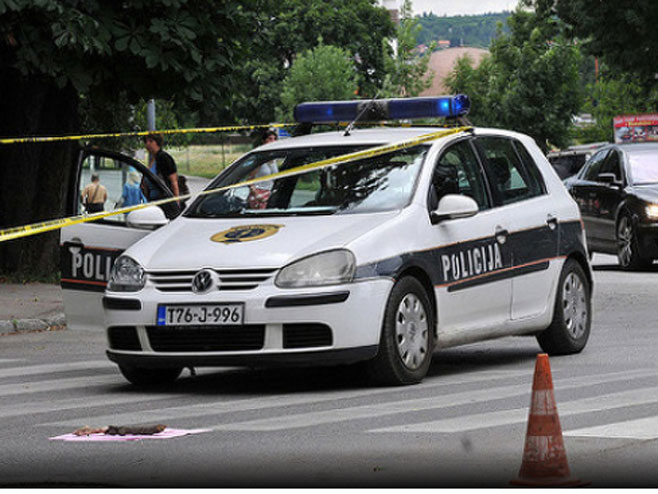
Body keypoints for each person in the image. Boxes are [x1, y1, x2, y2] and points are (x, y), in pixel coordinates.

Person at [142, 133, 180, 201]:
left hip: (164, 201)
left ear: (157, 142)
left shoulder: (164, 158)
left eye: (150, 141)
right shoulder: (152, 159)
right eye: (146, 142)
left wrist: (176, 202)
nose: (147, 144)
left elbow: (174, 182)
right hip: (153, 200)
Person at [247, 130, 279, 209]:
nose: (273, 141)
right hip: (258, 194)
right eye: (270, 139)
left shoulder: (274, 159)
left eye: (274, 139)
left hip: (270, 194)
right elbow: (249, 180)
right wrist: (257, 194)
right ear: (264, 141)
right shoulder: (260, 159)